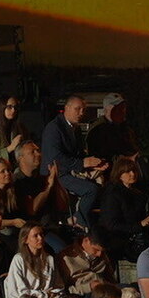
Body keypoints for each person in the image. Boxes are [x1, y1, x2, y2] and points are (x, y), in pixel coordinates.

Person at [41, 95, 106, 228]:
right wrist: (83, 163)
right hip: (57, 173)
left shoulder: (75, 128)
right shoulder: (54, 128)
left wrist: (94, 164)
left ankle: (82, 220)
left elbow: (79, 154)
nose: (81, 113)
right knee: (91, 190)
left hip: (70, 171)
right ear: (67, 108)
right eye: (78, 109)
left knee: (102, 184)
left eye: (83, 110)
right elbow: (56, 158)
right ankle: (78, 221)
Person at [98, 156, 149, 259]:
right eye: (128, 172)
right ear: (119, 175)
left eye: (134, 170)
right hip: (121, 239)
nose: (132, 174)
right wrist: (140, 225)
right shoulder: (113, 194)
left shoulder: (138, 191)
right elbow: (111, 224)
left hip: (138, 233)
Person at [3, 222, 60, 298]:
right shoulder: (19, 259)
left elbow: (58, 285)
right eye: (35, 236)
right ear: (26, 240)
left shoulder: (49, 259)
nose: (40, 238)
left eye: (41, 234)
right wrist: (42, 295)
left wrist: (51, 295)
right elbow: (21, 291)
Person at [86, 92, 140, 164]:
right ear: (107, 109)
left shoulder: (125, 128)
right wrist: (126, 159)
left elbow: (132, 147)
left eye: (123, 107)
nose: (123, 111)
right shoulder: (98, 130)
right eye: (118, 108)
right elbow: (101, 156)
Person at [57, 231, 115, 296]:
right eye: (96, 250)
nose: (99, 254)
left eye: (102, 251)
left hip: (106, 290)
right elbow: (64, 289)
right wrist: (89, 287)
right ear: (86, 241)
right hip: (82, 295)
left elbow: (110, 278)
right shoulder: (66, 258)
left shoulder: (102, 256)